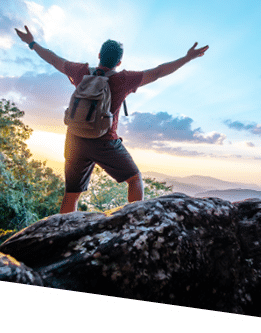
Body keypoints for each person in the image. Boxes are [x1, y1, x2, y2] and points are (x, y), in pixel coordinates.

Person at [15, 25, 208, 213]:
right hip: (105, 142)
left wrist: (32, 42)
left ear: (99, 55)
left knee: (71, 194)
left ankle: (62, 233)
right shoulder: (123, 79)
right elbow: (158, 72)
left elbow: (54, 60)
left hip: (74, 140)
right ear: (119, 62)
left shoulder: (80, 71)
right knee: (135, 179)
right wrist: (187, 58)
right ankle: (133, 223)